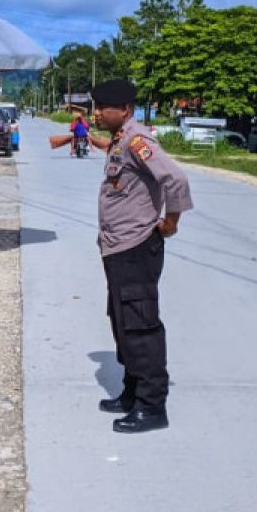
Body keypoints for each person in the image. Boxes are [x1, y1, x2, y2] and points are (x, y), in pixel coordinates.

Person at [89, 79, 193, 435]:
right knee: (122, 321)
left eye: (102, 108)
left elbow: (175, 180)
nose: (96, 113)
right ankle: (132, 392)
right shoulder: (122, 140)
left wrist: (171, 222)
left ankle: (152, 406)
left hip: (135, 247)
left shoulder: (138, 140)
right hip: (118, 246)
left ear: (126, 111)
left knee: (140, 324)